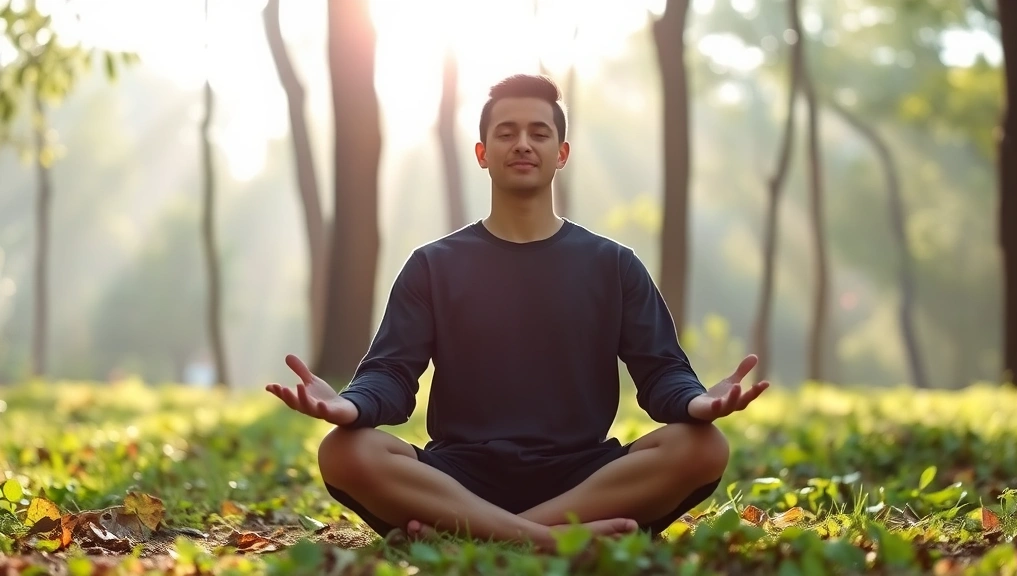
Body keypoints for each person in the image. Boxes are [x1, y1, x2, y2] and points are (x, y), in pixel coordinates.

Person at [266, 74, 769, 551]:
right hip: (461, 475)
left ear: (561, 153)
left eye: (539, 132)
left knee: (703, 446)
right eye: (506, 133)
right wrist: (351, 406)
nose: (523, 144)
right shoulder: (432, 266)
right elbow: (391, 375)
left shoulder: (613, 265)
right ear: (483, 154)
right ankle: (548, 539)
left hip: (582, 474)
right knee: (343, 450)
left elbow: (662, 371)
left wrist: (695, 404)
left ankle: (484, 534)